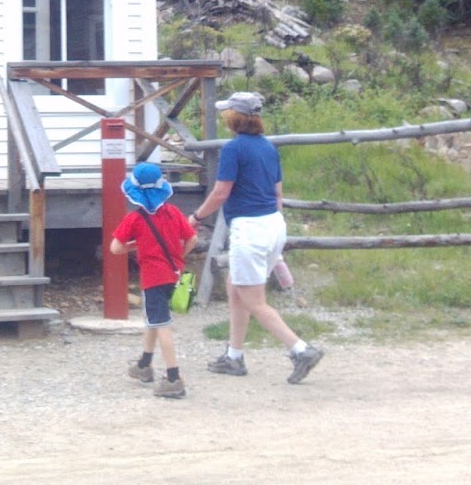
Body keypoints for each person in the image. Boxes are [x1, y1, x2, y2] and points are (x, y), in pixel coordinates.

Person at [188, 90, 324, 384]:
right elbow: (277, 193)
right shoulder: (267, 147)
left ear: (234, 117)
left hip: (250, 229)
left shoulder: (234, 149)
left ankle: (301, 349)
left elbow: (221, 192)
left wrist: (197, 217)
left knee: (254, 300)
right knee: (235, 286)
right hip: (273, 223)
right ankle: (234, 356)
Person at [110, 162, 198, 399]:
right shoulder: (173, 212)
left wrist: (135, 245)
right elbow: (192, 239)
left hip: (153, 279)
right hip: (174, 274)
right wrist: (179, 258)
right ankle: (144, 365)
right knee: (153, 320)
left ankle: (173, 378)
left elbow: (115, 248)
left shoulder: (135, 219)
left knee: (162, 325)